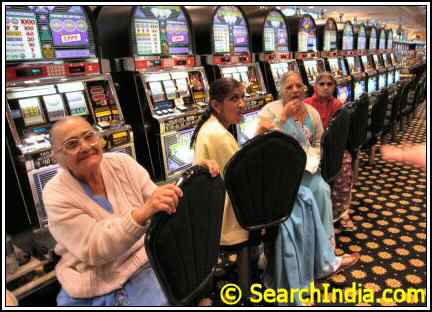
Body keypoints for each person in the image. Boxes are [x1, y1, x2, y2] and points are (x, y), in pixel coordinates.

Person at [191, 78, 359, 305]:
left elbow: (243, 169)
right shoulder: (220, 134)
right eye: (234, 99)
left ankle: (314, 264)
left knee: (307, 194)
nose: (242, 104)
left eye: (242, 97)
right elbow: (244, 176)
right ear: (216, 105)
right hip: (232, 211)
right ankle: (296, 275)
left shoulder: (215, 128)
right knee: (299, 202)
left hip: (230, 200)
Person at [43, 116, 219, 306]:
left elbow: (161, 203)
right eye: (72, 144)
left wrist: (197, 178)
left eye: (89, 136)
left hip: (146, 259)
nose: (85, 147)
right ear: (56, 157)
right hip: (97, 278)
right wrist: (142, 214)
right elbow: (94, 249)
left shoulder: (121, 162)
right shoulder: (55, 193)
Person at [256, 71, 335, 244]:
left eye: (299, 86)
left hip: (306, 169)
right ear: (281, 91)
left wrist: (314, 158)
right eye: (289, 87)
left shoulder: (312, 113)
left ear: (305, 89)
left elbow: (318, 143)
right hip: (278, 172)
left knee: (322, 189)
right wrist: (283, 118)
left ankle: (324, 244)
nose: (295, 90)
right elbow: (260, 144)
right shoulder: (269, 111)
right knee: (297, 197)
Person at [304, 72, 356, 231]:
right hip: (311, 147)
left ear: (334, 87)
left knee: (345, 163)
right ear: (315, 86)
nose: (326, 87)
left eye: (329, 84)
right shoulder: (306, 104)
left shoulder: (338, 105)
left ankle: (339, 211)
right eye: (322, 84)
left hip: (331, 147)